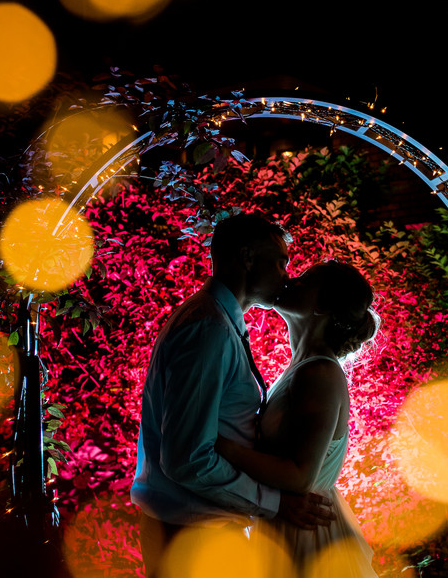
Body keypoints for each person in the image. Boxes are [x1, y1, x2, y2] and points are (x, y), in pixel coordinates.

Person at [130, 213, 335, 578]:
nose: (286, 274)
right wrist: (274, 504)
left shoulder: (215, 321)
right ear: (247, 258)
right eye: (281, 261)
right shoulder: (209, 328)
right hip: (194, 536)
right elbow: (188, 459)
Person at [216, 260, 379, 577]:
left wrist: (219, 445)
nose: (291, 280)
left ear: (321, 306)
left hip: (305, 539)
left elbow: (301, 476)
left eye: (305, 280)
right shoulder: (302, 369)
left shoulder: (319, 373)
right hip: (285, 526)